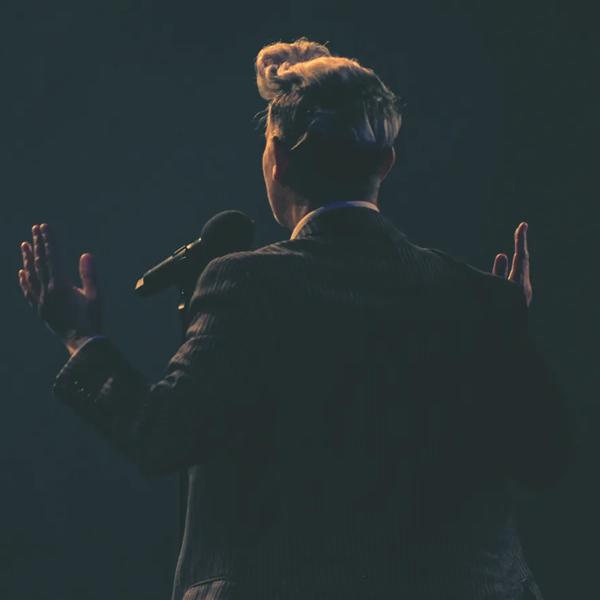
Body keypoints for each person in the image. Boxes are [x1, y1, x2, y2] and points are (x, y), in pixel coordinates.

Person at [18, 38, 572, 600]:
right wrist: (508, 333)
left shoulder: (246, 284)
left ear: (277, 159)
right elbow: (544, 462)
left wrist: (78, 335)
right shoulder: (478, 299)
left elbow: (161, 436)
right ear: (386, 161)